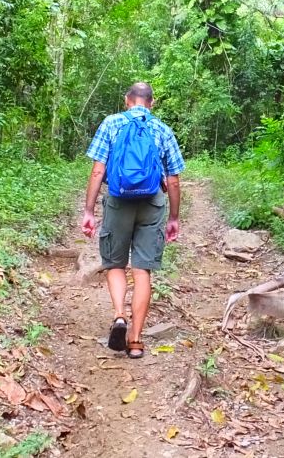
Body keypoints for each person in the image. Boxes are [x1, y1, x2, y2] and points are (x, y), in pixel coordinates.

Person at [81, 82, 184, 359]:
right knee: (142, 271)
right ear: (152, 103)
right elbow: (173, 180)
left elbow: (97, 170)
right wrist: (174, 217)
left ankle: (119, 316)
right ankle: (136, 341)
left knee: (114, 263)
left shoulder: (111, 124)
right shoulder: (162, 129)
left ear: (127, 100)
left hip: (118, 201)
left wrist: (89, 211)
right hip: (152, 203)